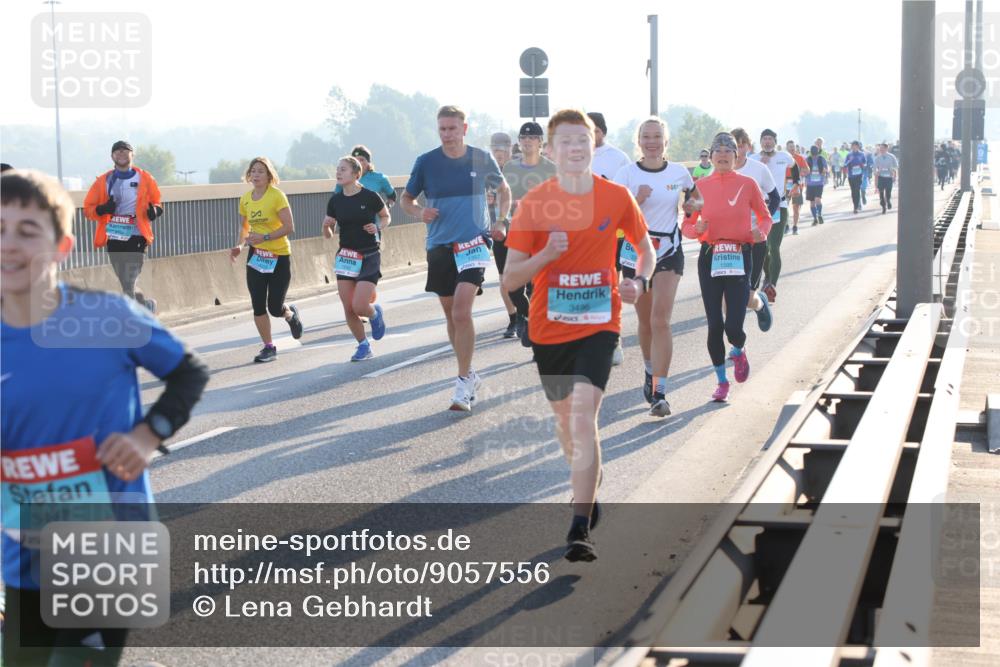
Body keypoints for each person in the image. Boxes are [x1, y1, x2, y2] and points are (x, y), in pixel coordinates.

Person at [2, 169, 209, 666]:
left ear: (62, 246)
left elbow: (189, 374)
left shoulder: (108, 318)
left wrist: (148, 433)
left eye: (27, 232)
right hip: (22, 558)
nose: (8, 245)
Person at [503, 109, 654, 562]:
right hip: (549, 329)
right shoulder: (534, 203)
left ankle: (579, 525)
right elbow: (511, 280)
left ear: (594, 145)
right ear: (550, 151)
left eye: (582, 139)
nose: (574, 147)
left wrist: (638, 282)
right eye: (565, 141)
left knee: (584, 417)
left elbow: (644, 250)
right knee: (568, 426)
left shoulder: (616, 197)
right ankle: (588, 485)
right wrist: (546, 254)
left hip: (599, 324)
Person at [401, 106, 511, 412]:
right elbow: (406, 200)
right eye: (442, 130)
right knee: (451, 315)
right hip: (439, 244)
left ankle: (462, 382)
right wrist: (420, 211)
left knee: (462, 312)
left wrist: (501, 221)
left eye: (452, 129)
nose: (447, 135)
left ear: (465, 128)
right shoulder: (426, 162)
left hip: (474, 242)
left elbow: (504, 191)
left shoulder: (481, 158)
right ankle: (470, 372)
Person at [613, 117, 697, 417]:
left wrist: (691, 209)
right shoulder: (626, 174)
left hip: (669, 251)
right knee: (646, 321)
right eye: (646, 136)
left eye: (657, 136)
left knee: (661, 319)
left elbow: (695, 197)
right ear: (639, 141)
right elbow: (615, 218)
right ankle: (650, 370)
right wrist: (638, 199)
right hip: (634, 253)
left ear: (666, 141)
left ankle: (660, 391)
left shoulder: (678, 173)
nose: (652, 141)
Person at [682, 133, 772, 403]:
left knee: (734, 324)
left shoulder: (748, 184)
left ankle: (739, 349)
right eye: (717, 150)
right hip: (710, 255)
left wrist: (761, 233)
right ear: (710, 156)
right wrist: (695, 229)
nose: (722, 154)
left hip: (739, 254)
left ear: (737, 156)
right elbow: (686, 225)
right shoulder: (699, 186)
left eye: (728, 151)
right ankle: (722, 381)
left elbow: (765, 217)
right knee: (714, 324)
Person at [228, 157, 304, 363]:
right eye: (253, 171)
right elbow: (244, 227)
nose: (256, 175)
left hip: (279, 255)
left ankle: (289, 314)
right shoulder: (245, 198)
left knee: (274, 306)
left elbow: (290, 227)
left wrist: (266, 237)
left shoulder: (276, 196)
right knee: (258, 304)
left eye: (261, 171)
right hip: (257, 257)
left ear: (269, 175)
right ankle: (268, 347)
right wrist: (239, 245)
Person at [83, 140, 164, 312]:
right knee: (126, 282)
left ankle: (133, 319)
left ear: (132, 155)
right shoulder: (103, 181)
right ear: (112, 156)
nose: (121, 153)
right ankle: (146, 305)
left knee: (130, 278)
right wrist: (103, 208)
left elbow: (157, 202)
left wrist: (154, 212)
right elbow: (88, 210)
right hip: (114, 235)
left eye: (125, 151)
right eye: (117, 151)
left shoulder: (145, 178)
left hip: (137, 234)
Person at [323, 156, 390, 361]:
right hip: (346, 256)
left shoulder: (370, 196)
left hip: (369, 254)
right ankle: (363, 345)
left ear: (355, 173)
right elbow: (328, 234)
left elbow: (386, 216)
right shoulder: (335, 200)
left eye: (343, 169)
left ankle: (374, 314)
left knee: (360, 305)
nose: (338, 172)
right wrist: (326, 225)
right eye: (337, 169)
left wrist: (377, 226)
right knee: (348, 307)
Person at [502, 122, 558, 346]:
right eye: (523, 138)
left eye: (532, 138)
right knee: (510, 282)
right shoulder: (509, 168)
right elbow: (502, 197)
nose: (527, 141)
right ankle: (526, 315)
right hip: (515, 229)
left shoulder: (551, 169)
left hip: (541, 233)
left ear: (540, 142)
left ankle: (535, 327)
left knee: (536, 285)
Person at [587, 111, 631, 366]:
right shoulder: (577, 155)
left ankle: (613, 340)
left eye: (593, 131)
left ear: (602, 131)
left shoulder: (618, 158)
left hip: (614, 233)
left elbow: (626, 194)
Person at [731, 128, 777, 327]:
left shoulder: (758, 169)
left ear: (749, 147)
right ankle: (736, 344)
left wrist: (763, 225)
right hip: (729, 241)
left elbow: (775, 197)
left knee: (749, 296)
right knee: (730, 295)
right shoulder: (719, 170)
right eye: (735, 145)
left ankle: (760, 304)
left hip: (755, 238)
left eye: (742, 145)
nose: (738, 150)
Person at [752, 129, 795, 300]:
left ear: (775, 141)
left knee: (774, 247)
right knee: (762, 248)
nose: (767, 142)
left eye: (770, 139)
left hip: (780, 206)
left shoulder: (784, 156)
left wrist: (796, 183)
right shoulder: (754, 160)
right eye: (764, 139)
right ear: (761, 142)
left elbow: (795, 166)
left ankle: (772, 285)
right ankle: (767, 276)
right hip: (759, 208)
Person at [487, 132, 519, 339]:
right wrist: (486, 199)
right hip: (500, 231)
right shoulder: (486, 173)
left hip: (524, 228)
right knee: (503, 279)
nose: (499, 153)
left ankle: (529, 315)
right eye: (495, 149)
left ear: (509, 148)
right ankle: (514, 319)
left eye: (502, 149)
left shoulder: (521, 169)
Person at [786, 140, 809, 235]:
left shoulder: (799, 158)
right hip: (785, 184)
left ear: (795, 148)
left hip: (797, 183)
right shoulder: (784, 157)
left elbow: (807, 170)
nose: (792, 148)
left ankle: (795, 226)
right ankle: (786, 224)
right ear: (786, 148)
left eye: (793, 146)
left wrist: (802, 173)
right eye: (790, 146)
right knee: (784, 206)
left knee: (796, 207)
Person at [873, 142, 899, 214]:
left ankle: (888, 201)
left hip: (889, 177)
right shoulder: (878, 157)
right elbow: (874, 167)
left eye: (883, 148)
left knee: (888, 193)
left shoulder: (891, 157)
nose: (881, 150)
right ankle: (883, 206)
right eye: (880, 148)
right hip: (881, 177)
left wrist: (892, 170)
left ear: (886, 148)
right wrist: (876, 172)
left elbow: (896, 166)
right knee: (881, 193)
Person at [805, 145, 828, 225]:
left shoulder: (821, 159)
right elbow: (803, 170)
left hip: (818, 183)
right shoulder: (808, 159)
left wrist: (824, 172)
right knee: (814, 201)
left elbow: (826, 169)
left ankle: (818, 216)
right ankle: (816, 217)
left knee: (816, 200)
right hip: (811, 183)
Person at [844, 141, 868, 213]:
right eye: (852, 146)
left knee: (857, 190)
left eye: (855, 146)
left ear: (858, 146)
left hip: (859, 175)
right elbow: (845, 164)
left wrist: (863, 165)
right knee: (853, 191)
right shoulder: (849, 155)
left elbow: (865, 163)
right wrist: (849, 162)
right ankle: (855, 204)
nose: (853, 147)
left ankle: (856, 207)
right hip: (851, 175)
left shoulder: (861, 154)